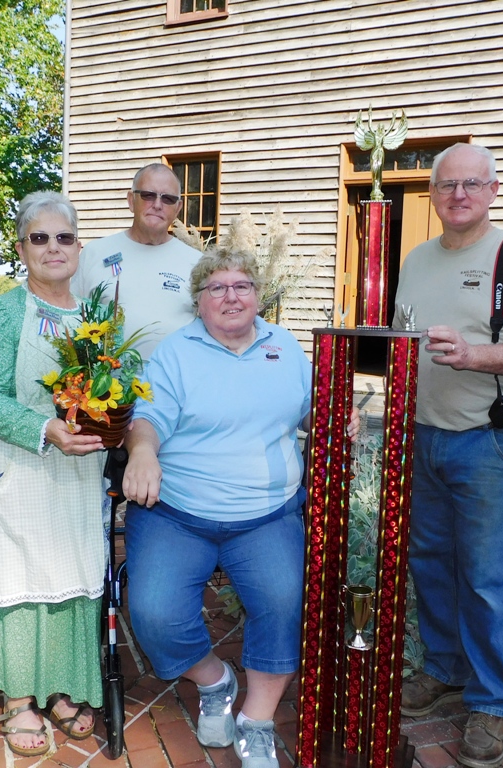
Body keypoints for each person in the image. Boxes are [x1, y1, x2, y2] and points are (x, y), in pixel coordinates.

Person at [123, 246, 360, 768]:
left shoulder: (284, 346)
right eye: (217, 288)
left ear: (257, 295)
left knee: (283, 601)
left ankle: (257, 719)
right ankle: (214, 682)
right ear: (198, 299)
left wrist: (333, 416)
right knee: (155, 613)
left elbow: (308, 410)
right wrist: (142, 452)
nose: (231, 297)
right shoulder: (175, 352)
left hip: (266, 514)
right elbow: (149, 418)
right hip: (178, 511)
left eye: (242, 286)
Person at [392, 143, 503, 768]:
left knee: (487, 576)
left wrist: (475, 356)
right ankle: (443, 668)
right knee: (430, 562)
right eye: (447, 184)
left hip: (485, 440)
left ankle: (492, 699)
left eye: (471, 184)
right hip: (421, 435)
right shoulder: (416, 258)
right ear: (433, 194)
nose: (458, 194)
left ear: (492, 190)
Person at [0, 192, 107, 757]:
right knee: (19, 575)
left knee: (69, 569)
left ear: (78, 247)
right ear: (21, 248)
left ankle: (59, 684)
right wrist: (45, 429)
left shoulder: (95, 319)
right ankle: (17, 697)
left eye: (64, 237)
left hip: (77, 471)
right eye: (40, 237)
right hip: (13, 465)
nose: (53, 247)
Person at [72, 163, 202, 356]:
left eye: (168, 199)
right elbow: (70, 316)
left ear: (178, 208)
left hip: (176, 374)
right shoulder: (94, 254)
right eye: (148, 195)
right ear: (131, 200)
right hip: (106, 375)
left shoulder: (197, 263)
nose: (157, 205)